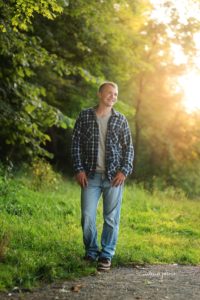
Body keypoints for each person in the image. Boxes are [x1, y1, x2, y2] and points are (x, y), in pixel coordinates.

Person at [71, 81, 134, 271]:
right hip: (90, 176)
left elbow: (128, 148)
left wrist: (124, 170)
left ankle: (106, 255)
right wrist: (78, 169)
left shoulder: (120, 119)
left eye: (115, 94)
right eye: (109, 93)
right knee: (88, 216)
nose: (112, 96)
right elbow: (76, 144)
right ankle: (91, 251)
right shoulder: (85, 116)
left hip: (113, 177)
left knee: (111, 218)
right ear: (100, 94)